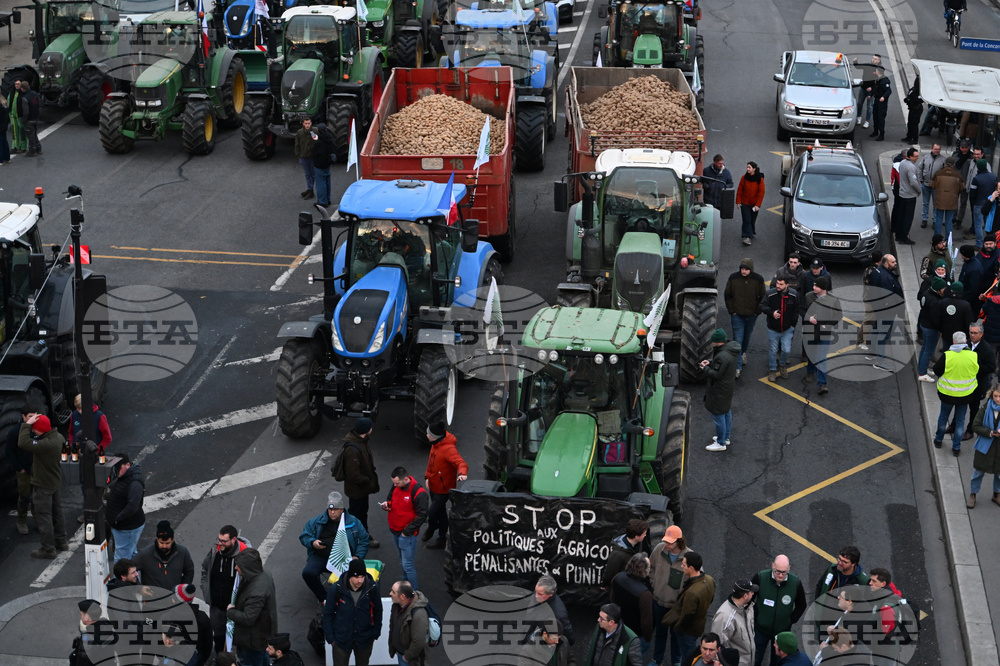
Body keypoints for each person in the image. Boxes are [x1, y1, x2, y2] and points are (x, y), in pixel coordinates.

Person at [299, 491, 370, 604]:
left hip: (345, 559)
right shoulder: (316, 522)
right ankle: (324, 598)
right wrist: (313, 543)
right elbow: (305, 536)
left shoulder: (354, 522)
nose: (332, 512)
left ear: (342, 510)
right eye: (330, 509)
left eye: (335, 509)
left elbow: (364, 541)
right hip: (321, 557)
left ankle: (347, 601)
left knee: (353, 578)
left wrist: (357, 556)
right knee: (308, 573)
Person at [18, 412, 67, 559]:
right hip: (55, 481)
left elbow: (23, 442)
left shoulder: (45, 444)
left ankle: (48, 549)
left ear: (41, 429)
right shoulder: (58, 438)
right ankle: (62, 541)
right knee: (58, 513)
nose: (33, 430)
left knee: (43, 517)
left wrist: (26, 425)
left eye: (34, 428)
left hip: (43, 484)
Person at [323, 558, 383, 666]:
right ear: (350, 576)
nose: (360, 580)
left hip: (365, 639)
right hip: (341, 640)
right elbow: (328, 613)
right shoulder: (336, 589)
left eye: (362, 577)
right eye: (356, 577)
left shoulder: (372, 588)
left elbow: (378, 611)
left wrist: (375, 632)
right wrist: (331, 638)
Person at [202, 524, 251, 653]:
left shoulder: (244, 556)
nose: (220, 543)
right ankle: (219, 659)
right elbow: (205, 570)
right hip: (217, 607)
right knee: (218, 637)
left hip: (236, 609)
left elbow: (251, 579)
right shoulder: (215, 551)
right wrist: (206, 590)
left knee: (238, 639)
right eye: (219, 540)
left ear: (234, 539)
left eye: (224, 541)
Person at [750, 555, 806, 666]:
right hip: (760, 630)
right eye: (777, 571)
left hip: (782, 632)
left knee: (778, 662)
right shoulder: (760, 577)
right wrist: (755, 616)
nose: (780, 575)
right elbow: (749, 597)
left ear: (789, 568)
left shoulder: (796, 583)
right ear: (772, 566)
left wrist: (790, 620)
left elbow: (801, 605)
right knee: (755, 659)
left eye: (784, 572)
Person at [663, 551, 717, 663]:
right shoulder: (709, 580)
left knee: (687, 657)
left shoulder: (692, 593)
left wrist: (677, 628)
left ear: (691, 568)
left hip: (688, 631)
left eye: (683, 564)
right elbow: (711, 599)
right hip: (698, 626)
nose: (682, 566)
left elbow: (686, 616)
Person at [227, 548, 278, 666]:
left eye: (238, 566)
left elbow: (248, 618)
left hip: (253, 640)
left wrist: (231, 611)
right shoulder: (264, 574)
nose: (236, 568)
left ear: (247, 568)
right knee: (262, 658)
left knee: (252, 661)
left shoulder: (256, 591)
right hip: (261, 636)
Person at [933, 330, 979, 455]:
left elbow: (936, 369)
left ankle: (938, 440)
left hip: (947, 394)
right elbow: (976, 371)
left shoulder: (947, 355)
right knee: (960, 421)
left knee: (943, 417)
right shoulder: (973, 355)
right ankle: (956, 448)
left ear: (953, 341)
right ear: (965, 341)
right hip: (965, 395)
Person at [423, 421, 468, 549]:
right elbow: (431, 464)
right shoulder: (435, 444)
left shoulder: (448, 449)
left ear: (434, 437)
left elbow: (461, 463)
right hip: (433, 486)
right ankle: (442, 538)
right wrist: (427, 477)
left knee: (432, 514)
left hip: (443, 490)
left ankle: (432, 527)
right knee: (441, 513)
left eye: (428, 434)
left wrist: (462, 473)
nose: (426, 435)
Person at [381, 467, 428, 589]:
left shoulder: (419, 493)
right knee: (403, 561)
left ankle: (414, 592)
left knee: (408, 565)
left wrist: (407, 532)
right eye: (394, 483)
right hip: (395, 530)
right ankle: (406, 586)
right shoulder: (397, 486)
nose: (395, 485)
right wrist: (387, 505)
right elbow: (390, 499)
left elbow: (422, 515)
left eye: (397, 483)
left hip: (406, 535)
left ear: (406, 479)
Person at [648, 525, 688, 665]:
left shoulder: (688, 557)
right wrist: (654, 583)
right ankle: (657, 659)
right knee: (660, 633)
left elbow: (695, 579)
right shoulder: (659, 549)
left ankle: (676, 661)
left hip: (676, 607)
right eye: (666, 541)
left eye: (671, 542)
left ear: (679, 541)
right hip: (658, 602)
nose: (667, 544)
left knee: (676, 636)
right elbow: (650, 567)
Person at [724, 258, 766, 378]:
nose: (744, 271)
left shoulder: (758, 279)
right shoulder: (733, 278)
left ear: (751, 270)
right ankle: (737, 367)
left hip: (751, 316)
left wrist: (757, 312)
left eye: (746, 269)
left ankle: (743, 353)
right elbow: (727, 295)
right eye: (742, 269)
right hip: (737, 316)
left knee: (746, 338)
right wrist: (732, 311)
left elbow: (762, 297)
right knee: (738, 340)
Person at [341, 416, 379, 546]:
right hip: (357, 490)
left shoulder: (361, 442)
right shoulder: (353, 449)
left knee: (362, 513)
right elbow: (354, 475)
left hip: (361, 490)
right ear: (366, 430)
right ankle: (355, 539)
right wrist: (367, 480)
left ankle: (363, 535)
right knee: (356, 515)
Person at [800, 276, 841, 395]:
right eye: (813, 285)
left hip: (824, 334)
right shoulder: (808, 296)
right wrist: (809, 317)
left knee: (821, 358)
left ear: (823, 288)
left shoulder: (833, 300)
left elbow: (838, 315)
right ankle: (810, 372)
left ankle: (822, 384)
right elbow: (801, 310)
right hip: (810, 332)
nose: (814, 288)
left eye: (816, 286)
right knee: (811, 354)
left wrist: (828, 325)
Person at [703, 328, 740, 451]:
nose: (712, 343)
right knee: (726, 412)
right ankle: (726, 437)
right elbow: (723, 367)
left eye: (713, 341)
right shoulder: (731, 351)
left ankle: (720, 443)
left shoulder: (722, 356)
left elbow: (716, 374)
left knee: (718, 416)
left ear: (718, 342)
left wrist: (705, 368)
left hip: (719, 391)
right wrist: (710, 362)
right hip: (728, 388)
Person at [610, 553, 654, 653]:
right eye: (649, 566)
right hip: (636, 634)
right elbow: (646, 621)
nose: (650, 568)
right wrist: (647, 638)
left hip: (619, 627)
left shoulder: (618, 577)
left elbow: (612, 599)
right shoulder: (645, 594)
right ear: (643, 569)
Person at [867, 254, 904, 370]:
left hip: (878, 308)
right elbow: (890, 298)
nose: (895, 264)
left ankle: (872, 353)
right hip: (886, 311)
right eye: (893, 262)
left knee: (875, 329)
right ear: (886, 263)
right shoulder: (886, 278)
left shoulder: (876, 271)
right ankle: (880, 362)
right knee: (882, 336)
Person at [105, 453, 145, 563]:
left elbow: (133, 506)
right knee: (130, 554)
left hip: (127, 527)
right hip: (125, 526)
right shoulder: (124, 476)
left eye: (119, 467)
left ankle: (124, 580)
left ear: (127, 465)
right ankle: (135, 578)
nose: (116, 470)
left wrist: (117, 518)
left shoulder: (134, 483)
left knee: (122, 560)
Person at [135, 520, 195, 590]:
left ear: (173, 539)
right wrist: (138, 588)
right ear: (157, 539)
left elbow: (189, 571)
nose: (164, 546)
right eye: (161, 543)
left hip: (174, 598)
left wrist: (182, 589)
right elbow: (128, 570)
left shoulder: (183, 552)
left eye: (167, 543)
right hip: (152, 599)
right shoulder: (145, 555)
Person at [760, 276, 799, 383]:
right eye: (777, 283)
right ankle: (772, 370)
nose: (778, 286)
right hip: (773, 328)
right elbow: (762, 305)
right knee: (773, 350)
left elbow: (796, 310)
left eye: (781, 284)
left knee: (786, 350)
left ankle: (782, 365)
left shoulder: (794, 295)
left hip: (787, 329)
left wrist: (792, 325)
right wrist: (771, 313)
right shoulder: (770, 294)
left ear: (787, 285)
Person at [710, 580, 757, 666]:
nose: (753, 593)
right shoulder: (725, 616)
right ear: (745, 596)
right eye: (751, 592)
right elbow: (718, 644)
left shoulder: (748, 607)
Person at [968, 383, 1000, 508]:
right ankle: (973, 494)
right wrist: (990, 433)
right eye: (995, 396)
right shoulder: (986, 408)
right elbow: (975, 426)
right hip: (985, 448)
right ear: (992, 395)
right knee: (978, 472)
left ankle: (996, 494)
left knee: (999, 474)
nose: (997, 399)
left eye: (999, 396)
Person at [388, 580, 430, 666]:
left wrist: (407, 657)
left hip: (411, 660)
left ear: (402, 596)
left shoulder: (418, 615)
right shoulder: (396, 606)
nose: (390, 594)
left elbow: (418, 641)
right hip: (401, 653)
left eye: (393, 592)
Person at [602, 518, 648, 590]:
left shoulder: (638, 544)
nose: (645, 535)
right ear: (636, 537)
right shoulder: (617, 554)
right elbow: (610, 573)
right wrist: (606, 584)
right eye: (644, 534)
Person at [917, 276, 947, 382]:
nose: (945, 290)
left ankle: (922, 368)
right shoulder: (935, 301)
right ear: (938, 289)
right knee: (928, 350)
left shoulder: (926, 294)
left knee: (925, 348)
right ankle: (922, 373)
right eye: (943, 288)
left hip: (924, 324)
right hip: (931, 328)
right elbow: (936, 319)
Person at [6, 413, 32, 535]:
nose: (33, 418)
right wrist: (19, 468)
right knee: (24, 496)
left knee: (38, 497)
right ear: (23, 416)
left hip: (36, 469)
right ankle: (21, 520)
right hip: (24, 470)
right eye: (30, 416)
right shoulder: (15, 432)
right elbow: (9, 451)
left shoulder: (36, 429)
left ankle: (39, 519)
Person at [930, 155, 965, 239]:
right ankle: (948, 240)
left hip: (939, 200)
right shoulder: (958, 175)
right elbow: (962, 187)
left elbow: (932, 185)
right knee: (949, 221)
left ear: (945, 163)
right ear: (954, 164)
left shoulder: (938, 173)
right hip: (952, 201)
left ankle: (937, 239)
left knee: (938, 220)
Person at [535, 574, 576, 645]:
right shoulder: (539, 595)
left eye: (540, 594)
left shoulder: (558, 613)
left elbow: (567, 636)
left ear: (551, 593)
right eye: (536, 591)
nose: (536, 596)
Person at [893, 147, 920, 244]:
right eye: (916, 156)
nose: (918, 158)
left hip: (902, 193)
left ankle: (898, 235)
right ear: (910, 156)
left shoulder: (903, 163)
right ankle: (904, 237)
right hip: (910, 195)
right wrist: (919, 190)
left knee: (901, 215)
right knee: (908, 217)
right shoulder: (911, 167)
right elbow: (913, 182)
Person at [856, 251, 883, 350]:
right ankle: (860, 341)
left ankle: (866, 340)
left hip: (868, 297)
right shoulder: (874, 271)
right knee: (869, 320)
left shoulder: (869, 269)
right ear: (880, 259)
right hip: (870, 299)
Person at [917, 144, 945, 229]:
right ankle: (924, 219)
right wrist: (921, 180)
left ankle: (935, 220)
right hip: (925, 184)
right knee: (925, 203)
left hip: (936, 187)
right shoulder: (926, 157)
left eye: (938, 149)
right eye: (935, 149)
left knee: (935, 204)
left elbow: (944, 173)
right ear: (932, 149)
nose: (937, 151)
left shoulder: (943, 160)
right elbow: (920, 168)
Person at [736, 162, 765, 245]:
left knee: (752, 219)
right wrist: (738, 201)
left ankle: (750, 232)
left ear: (754, 169)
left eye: (749, 167)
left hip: (754, 204)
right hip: (744, 203)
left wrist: (758, 205)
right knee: (746, 219)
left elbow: (761, 193)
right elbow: (740, 190)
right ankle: (747, 237)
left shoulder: (760, 179)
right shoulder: (744, 178)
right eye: (747, 167)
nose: (748, 169)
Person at [311, 123, 336, 209]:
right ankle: (328, 199)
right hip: (327, 164)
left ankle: (322, 201)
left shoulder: (319, 142)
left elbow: (314, 152)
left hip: (319, 165)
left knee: (320, 184)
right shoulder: (329, 139)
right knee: (327, 182)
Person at [852, 54, 881, 128]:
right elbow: (858, 66)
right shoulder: (867, 65)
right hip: (863, 88)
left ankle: (867, 121)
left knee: (869, 106)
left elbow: (879, 83)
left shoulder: (879, 69)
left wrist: (872, 88)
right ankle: (858, 117)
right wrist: (855, 62)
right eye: (873, 58)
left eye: (875, 59)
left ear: (879, 61)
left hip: (871, 91)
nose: (873, 60)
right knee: (859, 103)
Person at [294, 118, 316, 199]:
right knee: (307, 174)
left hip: (312, 157)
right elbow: (297, 144)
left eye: (309, 123)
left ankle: (311, 190)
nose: (307, 125)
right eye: (306, 123)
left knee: (313, 174)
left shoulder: (314, 131)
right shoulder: (300, 133)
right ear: (303, 124)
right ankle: (310, 189)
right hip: (304, 157)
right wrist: (298, 155)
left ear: (311, 123)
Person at [19, 81, 41, 157]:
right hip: (35, 117)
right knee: (34, 133)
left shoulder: (25, 98)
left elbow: (26, 111)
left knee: (30, 135)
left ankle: (32, 150)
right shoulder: (35, 94)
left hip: (29, 119)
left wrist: (24, 120)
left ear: (22, 88)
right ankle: (38, 148)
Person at [869, 67, 891, 141]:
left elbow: (888, 91)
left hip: (882, 102)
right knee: (875, 115)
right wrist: (871, 94)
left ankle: (881, 134)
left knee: (881, 117)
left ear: (879, 71)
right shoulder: (877, 79)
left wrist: (883, 97)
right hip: (877, 100)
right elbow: (875, 88)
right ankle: (875, 131)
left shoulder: (885, 80)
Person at [902, 76, 923, 144]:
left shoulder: (920, 92)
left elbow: (918, 100)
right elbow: (909, 95)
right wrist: (907, 99)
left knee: (914, 124)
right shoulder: (912, 90)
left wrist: (910, 100)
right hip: (912, 108)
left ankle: (915, 138)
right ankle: (909, 136)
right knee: (910, 123)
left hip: (917, 109)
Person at [7, 80, 25, 154]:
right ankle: (15, 147)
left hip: (20, 116)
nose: (16, 85)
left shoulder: (22, 94)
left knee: (22, 131)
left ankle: (23, 147)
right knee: (14, 132)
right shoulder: (12, 93)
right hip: (13, 115)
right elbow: (8, 103)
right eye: (15, 84)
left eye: (18, 84)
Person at [0, 95, 9, 165]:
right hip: (4, 126)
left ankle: (0, 160)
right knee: (4, 142)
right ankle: (7, 158)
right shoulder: (4, 105)